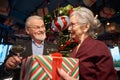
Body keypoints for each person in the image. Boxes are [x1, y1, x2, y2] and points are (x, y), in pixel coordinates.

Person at [58, 7, 117, 80]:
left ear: (86, 27)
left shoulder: (99, 47)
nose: (69, 28)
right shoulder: (74, 50)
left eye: (72, 24)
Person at [0, 15, 58, 80]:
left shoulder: (54, 48)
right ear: (28, 30)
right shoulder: (19, 46)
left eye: (42, 26)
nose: (41, 30)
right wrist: (8, 66)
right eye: (37, 27)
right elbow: (2, 73)